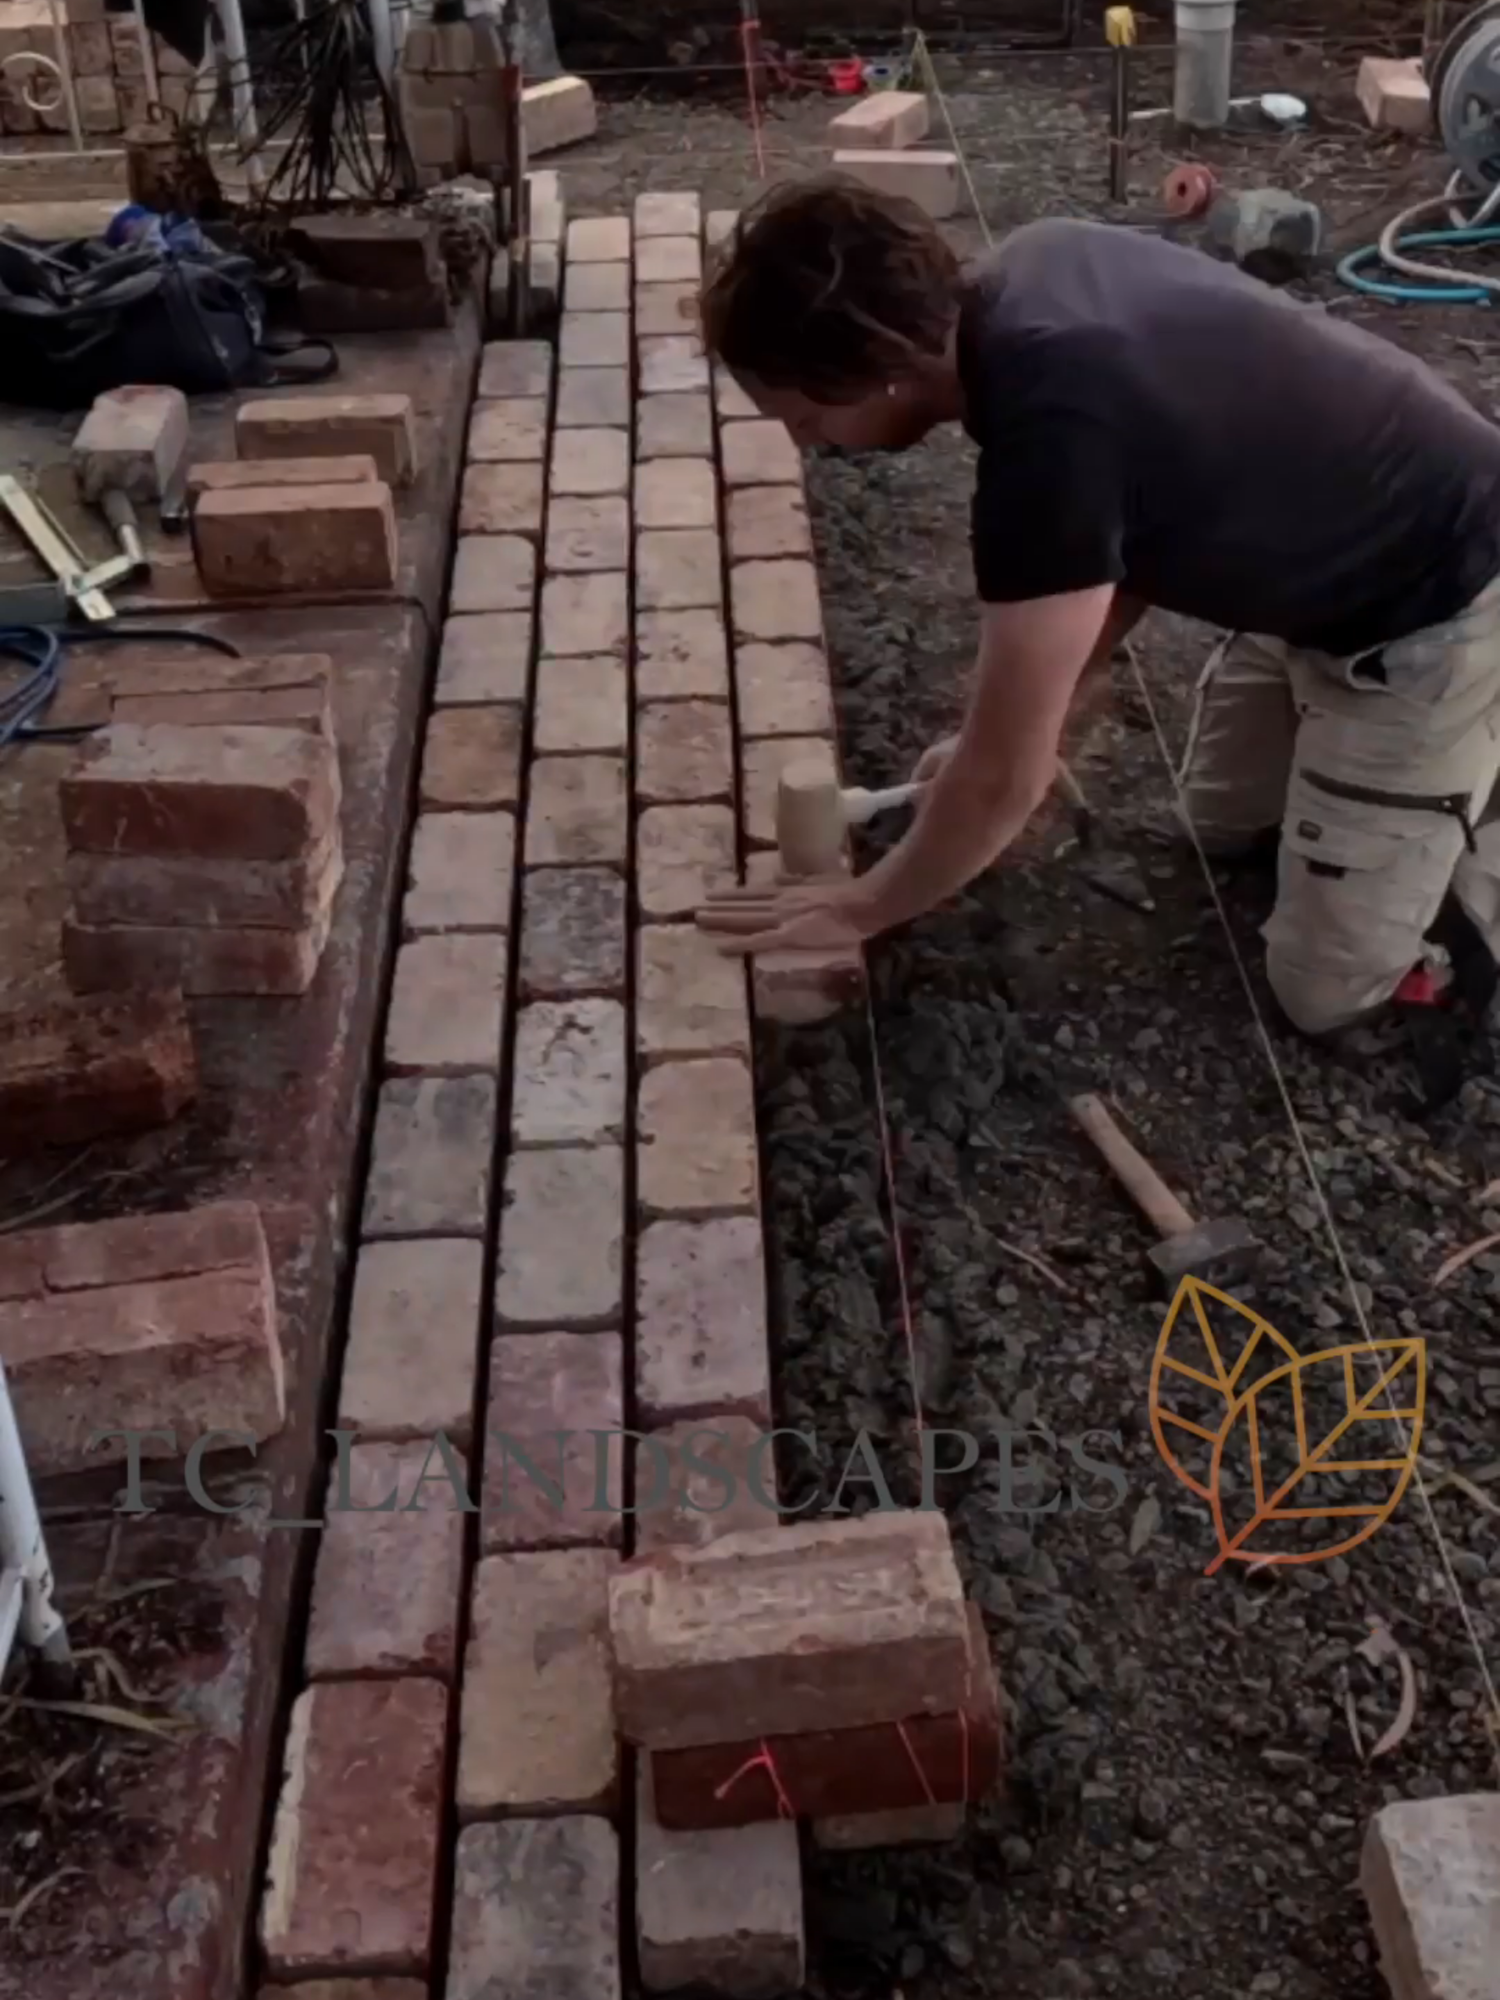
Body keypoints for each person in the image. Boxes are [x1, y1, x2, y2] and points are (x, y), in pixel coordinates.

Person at [692, 176, 1500, 1040]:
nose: (806, 447)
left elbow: (1008, 781)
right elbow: (1110, 559)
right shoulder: (1032, 263)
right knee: (1222, 826)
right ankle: (1417, 794)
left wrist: (862, 908)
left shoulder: (1052, 431)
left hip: (1445, 598)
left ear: (880, 370)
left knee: (1324, 996)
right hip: (1339, 569)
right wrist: (985, 747)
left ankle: (1472, 852)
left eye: (809, 419)